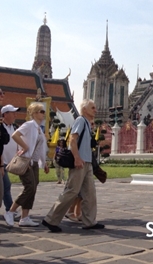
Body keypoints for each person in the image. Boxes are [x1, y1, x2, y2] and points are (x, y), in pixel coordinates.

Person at [42, 99, 104, 232]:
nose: (95, 110)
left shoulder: (87, 123)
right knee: (71, 191)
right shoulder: (80, 121)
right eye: (92, 108)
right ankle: (51, 219)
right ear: (85, 110)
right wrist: (76, 158)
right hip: (80, 162)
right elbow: (72, 140)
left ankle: (89, 221)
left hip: (86, 163)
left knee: (90, 193)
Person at [4, 102, 49, 227]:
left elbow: (40, 148)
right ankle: (11, 211)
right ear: (34, 113)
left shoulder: (38, 129)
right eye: (41, 111)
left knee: (33, 189)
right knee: (29, 187)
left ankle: (24, 217)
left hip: (34, 163)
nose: (43, 114)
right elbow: (15, 135)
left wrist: (44, 163)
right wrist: (24, 146)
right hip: (25, 161)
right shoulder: (29, 125)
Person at [2, 104, 20, 218]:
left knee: (3, 186)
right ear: (5, 114)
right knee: (6, 185)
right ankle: (10, 209)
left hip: (10, 162)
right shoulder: (1, 127)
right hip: (1, 162)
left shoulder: (14, 127)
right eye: (12, 112)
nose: (15, 115)